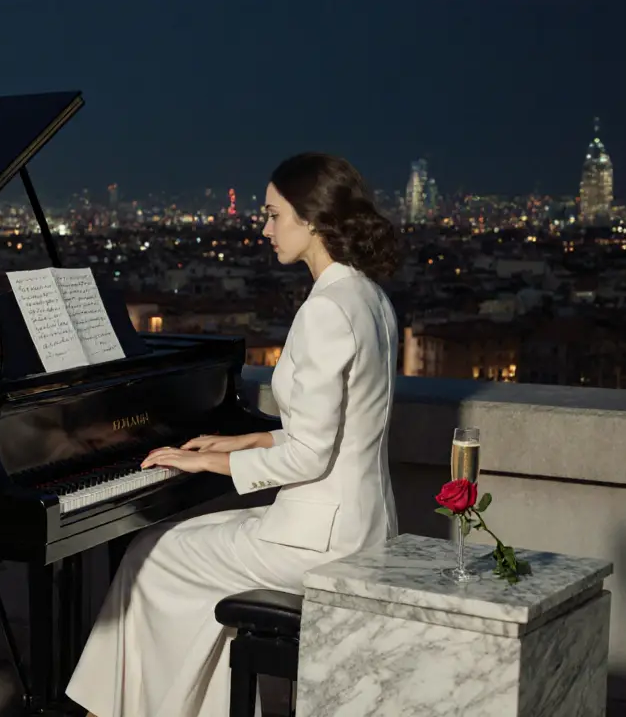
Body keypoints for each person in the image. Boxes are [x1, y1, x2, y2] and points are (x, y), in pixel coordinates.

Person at [64, 153, 403, 717]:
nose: (265, 229)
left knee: (149, 556)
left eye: (273, 215)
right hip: (362, 524)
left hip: (320, 542)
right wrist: (241, 442)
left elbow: (310, 454)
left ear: (311, 218)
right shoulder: (370, 298)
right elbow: (336, 433)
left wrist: (208, 464)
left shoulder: (325, 310)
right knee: (165, 546)